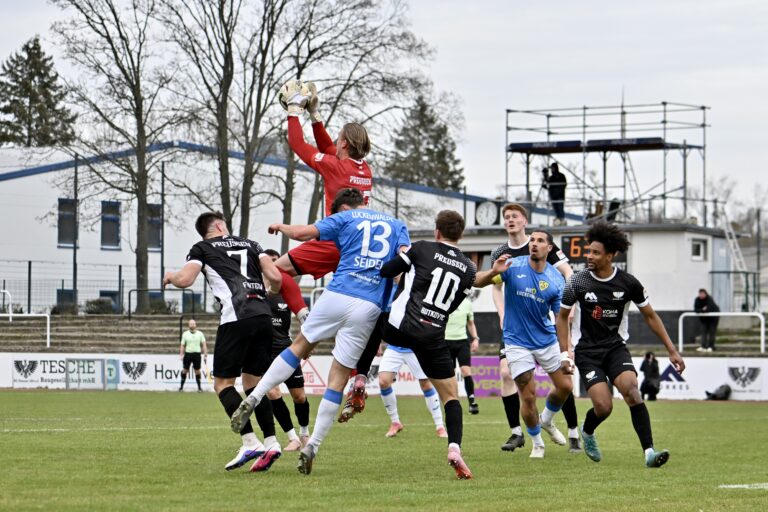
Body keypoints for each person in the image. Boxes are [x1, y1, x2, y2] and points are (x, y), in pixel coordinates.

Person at [230, 188, 409, 476]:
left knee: (299, 346)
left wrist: (281, 227)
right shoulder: (397, 225)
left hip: (338, 293)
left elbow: (302, 233)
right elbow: (403, 262)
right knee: (338, 378)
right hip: (370, 305)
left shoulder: (345, 218)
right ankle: (313, 444)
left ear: (341, 208)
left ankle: (255, 396)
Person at [556, 220, 685, 468]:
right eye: (588, 251)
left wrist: (672, 351)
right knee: (604, 407)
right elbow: (562, 317)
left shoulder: (629, 283)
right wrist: (565, 353)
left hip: (615, 348)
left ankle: (649, 452)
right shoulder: (577, 282)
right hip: (588, 352)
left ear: (611, 255)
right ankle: (588, 429)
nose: (589, 256)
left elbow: (651, 316)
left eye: (595, 252)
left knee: (633, 392)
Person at [163, 211, 282, 472]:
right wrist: (266, 294)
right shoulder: (252, 244)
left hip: (236, 317)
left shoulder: (202, 248)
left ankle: (250, 441)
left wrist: (171, 276)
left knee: (222, 383)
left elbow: (185, 280)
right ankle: (272, 442)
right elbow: (276, 277)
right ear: (219, 225)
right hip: (263, 316)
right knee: (254, 382)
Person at [379, 210, 477, 480]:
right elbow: (455, 304)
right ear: (461, 234)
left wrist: (402, 258)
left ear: (437, 231)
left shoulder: (421, 248)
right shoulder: (469, 268)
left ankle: (362, 378)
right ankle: (454, 448)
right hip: (432, 335)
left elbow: (387, 271)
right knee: (451, 398)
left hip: (400, 328)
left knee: (371, 317)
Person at [490, 203, 581, 453]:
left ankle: (566, 428)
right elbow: (493, 285)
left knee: (565, 383)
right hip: (514, 328)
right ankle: (521, 435)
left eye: (514, 216)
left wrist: (568, 305)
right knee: (511, 378)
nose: (510, 220)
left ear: (524, 221)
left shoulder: (545, 250)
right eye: (506, 217)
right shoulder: (503, 255)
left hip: (545, 327)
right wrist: (500, 313)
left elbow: (567, 272)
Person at [475, 230, 573, 458]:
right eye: (533, 241)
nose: (534, 244)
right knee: (528, 395)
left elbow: (561, 320)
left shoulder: (556, 280)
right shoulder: (512, 266)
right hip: (516, 342)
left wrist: (567, 352)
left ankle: (547, 420)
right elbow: (477, 282)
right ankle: (537, 442)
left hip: (546, 339)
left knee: (566, 387)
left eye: (540, 241)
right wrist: (492, 272)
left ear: (550, 248)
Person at [260, 249, 311, 460]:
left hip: (287, 350)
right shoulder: (257, 292)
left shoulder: (287, 291)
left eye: (276, 261)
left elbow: (304, 319)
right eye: (270, 262)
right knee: (272, 392)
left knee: (299, 397)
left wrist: (305, 346)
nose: (274, 265)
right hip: (265, 351)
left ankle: (305, 434)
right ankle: (292, 438)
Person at [378, 341, 448, 439]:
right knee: (383, 382)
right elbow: (382, 325)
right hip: (394, 346)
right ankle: (395, 422)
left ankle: (440, 426)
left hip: (417, 347)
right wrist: (378, 343)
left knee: (426, 384)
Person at [444, 295, 480, 414]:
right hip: (445, 342)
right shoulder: (443, 301)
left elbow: (470, 323)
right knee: (450, 375)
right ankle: (454, 402)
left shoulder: (467, 303)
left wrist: (475, 338)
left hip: (462, 342)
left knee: (466, 371)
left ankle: (472, 402)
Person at [179, 319, 207, 392]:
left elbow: (203, 344)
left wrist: (205, 354)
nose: (192, 325)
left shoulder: (200, 334)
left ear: (195, 325)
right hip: (188, 354)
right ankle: (181, 387)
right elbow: (182, 345)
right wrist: (181, 354)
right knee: (185, 370)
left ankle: (199, 388)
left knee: (197, 371)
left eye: (193, 324)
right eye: (191, 324)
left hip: (197, 354)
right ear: (189, 325)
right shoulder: (185, 334)